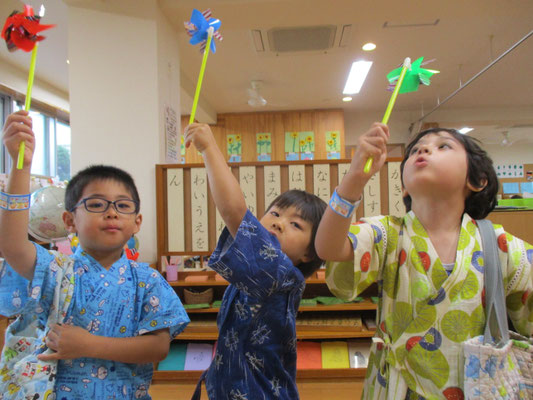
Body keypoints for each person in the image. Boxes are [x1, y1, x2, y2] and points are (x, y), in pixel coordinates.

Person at [315, 123, 533, 400]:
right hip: (394, 389)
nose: (424, 149)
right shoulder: (388, 233)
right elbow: (329, 247)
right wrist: (354, 179)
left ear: (477, 181)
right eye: (415, 149)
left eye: (443, 146)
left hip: (476, 389)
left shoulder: (499, 246)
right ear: (404, 187)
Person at [0, 110, 190, 399]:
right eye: (97, 204)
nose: (112, 212)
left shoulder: (147, 280)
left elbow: (158, 347)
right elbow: (13, 247)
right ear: (70, 221)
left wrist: (89, 345)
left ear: (136, 222)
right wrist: (20, 167)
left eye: (123, 206)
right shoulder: (55, 269)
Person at [184, 123, 327, 400]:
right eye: (274, 213)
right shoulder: (259, 269)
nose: (279, 223)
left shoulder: (283, 274)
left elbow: (234, 212)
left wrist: (209, 148)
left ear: (309, 253)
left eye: (296, 224)